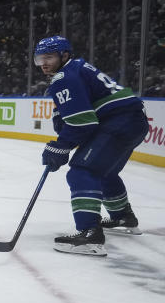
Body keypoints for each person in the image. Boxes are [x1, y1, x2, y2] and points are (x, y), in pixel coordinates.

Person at [35, 35, 149, 256]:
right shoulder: (77, 69)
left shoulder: (64, 77)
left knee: (81, 171)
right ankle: (122, 216)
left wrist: (60, 147)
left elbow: (83, 122)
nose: (44, 63)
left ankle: (90, 234)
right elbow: (82, 118)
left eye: (49, 57)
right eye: (40, 59)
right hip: (133, 121)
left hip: (120, 121)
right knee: (104, 171)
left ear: (64, 55)